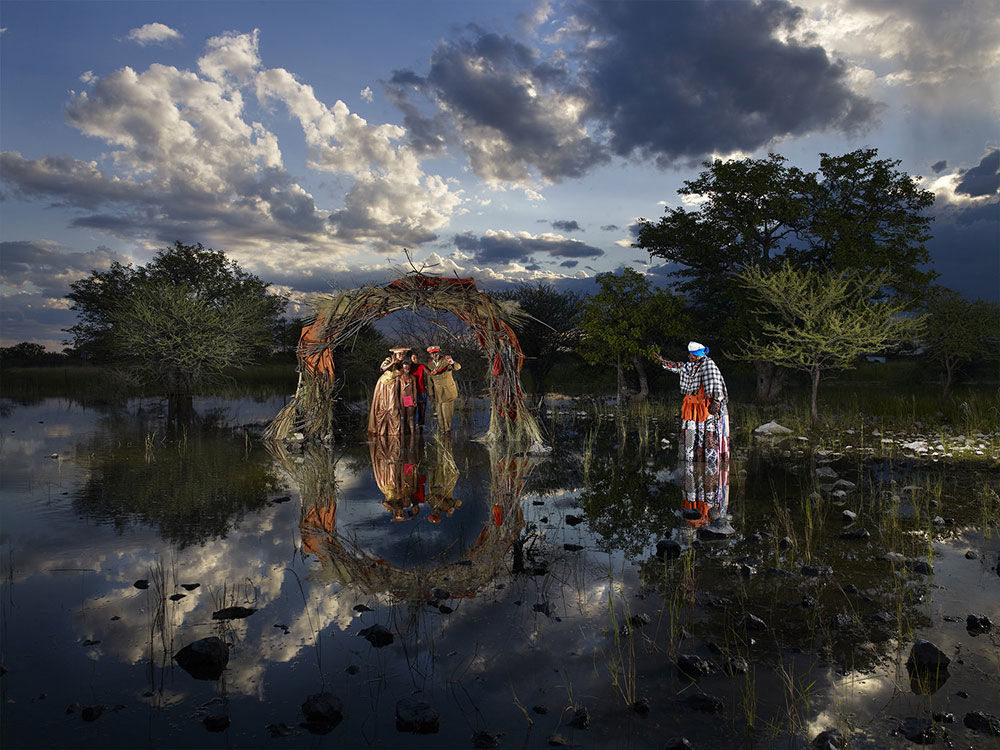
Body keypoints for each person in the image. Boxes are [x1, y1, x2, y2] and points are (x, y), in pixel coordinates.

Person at [656, 341, 730, 464]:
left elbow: (717, 384)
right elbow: (678, 366)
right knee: (690, 431)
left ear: (698, 355)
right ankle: (692, 462)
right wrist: (663, 361)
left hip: (705, 406)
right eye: (690, 354)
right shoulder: (690, 366)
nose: (689, 357)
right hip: (691, 405)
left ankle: (708, 463)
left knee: (706, 431)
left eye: (692, 355)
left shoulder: (709, 365)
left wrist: (716, 402)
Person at [367, 347, 406, 434]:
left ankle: (393, 431)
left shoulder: (402, 364)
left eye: (403, 354)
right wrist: (392, 362)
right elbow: (382, 368)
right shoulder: (388, 360)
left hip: (393, 386)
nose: (402, 356)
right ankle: (380, 430)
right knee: (382, 407)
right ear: (395, 355)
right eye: (400, 354)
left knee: (393, 408)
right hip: (383, 385)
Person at [426, 345, 461, 434]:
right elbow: (430, 380)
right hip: (438, 393)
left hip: (447, 392)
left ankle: (448, 431)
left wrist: (452, 363)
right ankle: (442, 431)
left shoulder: (446, 360)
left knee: (447, 414)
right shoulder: (429, 364)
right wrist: (431, 394)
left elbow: (458, 367)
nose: (435, 355)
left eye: (436, 352)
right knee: (440, 415)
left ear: (439, 352)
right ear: (430, 355)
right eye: (433, 353)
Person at [398, 360, 418, 434]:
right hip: (402, 399)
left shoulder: (412, 378)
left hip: (410, 398)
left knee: (411, 417)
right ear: (402, 369)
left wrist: (415, 400)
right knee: (402, 418)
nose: (407, 370)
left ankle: (412, 435)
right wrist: (397, 402)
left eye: (408, 368)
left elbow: (415, 390)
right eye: (405, 368)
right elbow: (397, 390)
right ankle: (403, 435)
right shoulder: (399, 378)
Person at [409, 351, 428, 430]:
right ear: (410, 359)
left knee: (422, 411)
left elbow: (429, 372)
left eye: (416, 358)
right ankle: (410, 428)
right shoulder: (408, 367)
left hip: (421, 391)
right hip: (410, 393)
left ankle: (421, 428)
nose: (415, 360)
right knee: (411, 412)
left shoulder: (422, 366)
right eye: (413, 358)